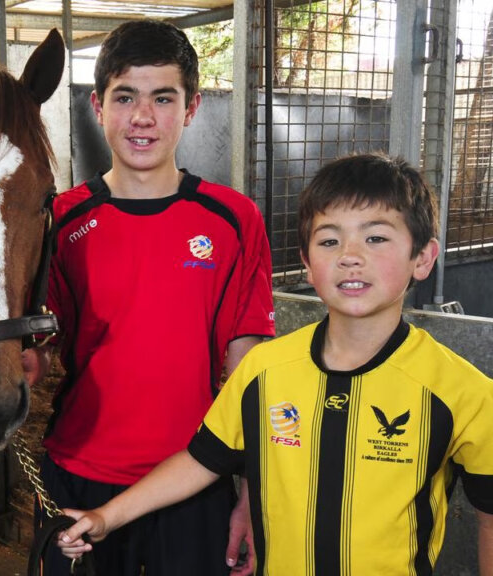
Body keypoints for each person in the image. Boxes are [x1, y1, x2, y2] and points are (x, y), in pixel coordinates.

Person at [58, 152, 493, 575]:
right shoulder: (264, 370)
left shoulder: (463, 392)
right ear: (306, 264)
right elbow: (199, 461)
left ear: (423, 257)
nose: (350, 255)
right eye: (329, 240)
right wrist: (106, 517)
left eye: (375, 237)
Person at [35, 19, 275, 576]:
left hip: (198, 476)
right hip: (78, 476)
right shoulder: (60, 220)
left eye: (163, 98)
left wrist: (251, 492)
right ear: (99, 105)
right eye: (126, 97)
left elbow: (250, 369)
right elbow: (36, 353)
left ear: (191, 107)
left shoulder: (233, 219)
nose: (142, 117)